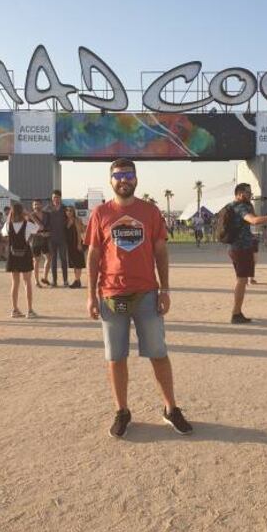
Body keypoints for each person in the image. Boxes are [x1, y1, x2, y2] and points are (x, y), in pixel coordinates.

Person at [85, 158, 193, 439]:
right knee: (115, 357)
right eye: (118, 175)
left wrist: (165, 290)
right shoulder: (100, 213)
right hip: (111, 295)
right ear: (111, 180)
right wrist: (91, 295)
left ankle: (171, 408)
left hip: (146, 293)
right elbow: (93, 255)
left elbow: (161, 252)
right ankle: (122, 411)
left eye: (128, 175)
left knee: (158, 353)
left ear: (136, 179)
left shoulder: (150, 212)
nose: (124, 180)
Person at [228, 183, 267, 323]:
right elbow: (254, 221)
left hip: (238, 247)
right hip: (241, 248)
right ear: (239, 194)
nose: (250, 194)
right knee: (242, 280)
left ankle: (237, 312)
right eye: (248, 192)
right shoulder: (240, 207)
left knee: (242, 280)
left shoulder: (238, 206)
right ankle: (236, 314)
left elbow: (256, 219)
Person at [2, 203, 39, 318]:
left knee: (15, 283)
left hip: (13, 255)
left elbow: (4, 234)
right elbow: (39, 227)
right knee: (27, 282)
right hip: (25, 254)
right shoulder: (27, 224)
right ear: (23, 212)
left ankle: (14, 309)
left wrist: (9, 217)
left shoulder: (8, 225)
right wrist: (31, 216)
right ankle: (30, 310)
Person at [46, 189, 68, 287]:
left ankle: (65, 281)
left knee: (64, 260)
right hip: (51, 239)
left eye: (58, 197)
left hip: (63, 238)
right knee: (53, 260)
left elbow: (70, 220)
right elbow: (43, 221)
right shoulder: (48, 209)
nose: (56, 199)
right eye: (54, 197)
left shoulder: (65, 209)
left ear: (60, 198)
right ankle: (54, 281)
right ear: (52, 198)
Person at [30, 199, 51, 287]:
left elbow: (50, 225)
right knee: (36, 260)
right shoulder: (31, 216)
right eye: (35, 205)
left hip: (45, 239)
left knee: (49, 258)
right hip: (35, 240)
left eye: (38, 204)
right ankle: (36, 281)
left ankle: (45, 278)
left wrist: (49, 233)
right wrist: (40, 233)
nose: (36, 206)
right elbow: (29, 229)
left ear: (41, 205)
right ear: (32, 206)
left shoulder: (47, 215)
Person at [65, 205, 86, 288]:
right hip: (70, 245)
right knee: (74, 264)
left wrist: (79, 244)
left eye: (70, 210)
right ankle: (77, 280)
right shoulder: (66, 221)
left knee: (78, 263)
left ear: (73, 211)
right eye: (67, 210)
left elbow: (78, 233)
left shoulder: (76, 220)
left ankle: (77, 281)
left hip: (76, 244)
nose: (69, 212)